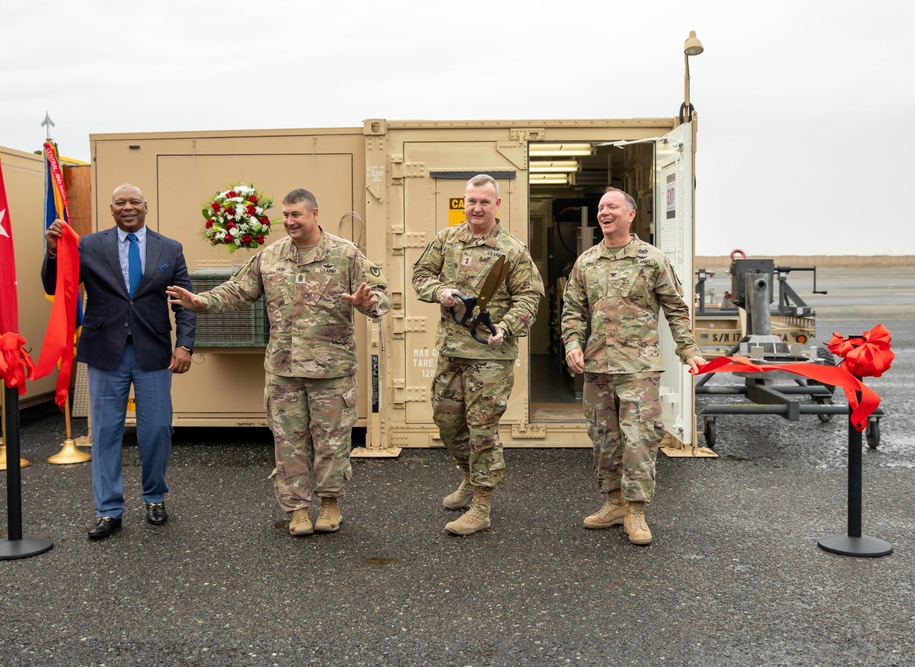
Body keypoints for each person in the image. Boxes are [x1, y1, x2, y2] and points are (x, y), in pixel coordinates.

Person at [166, 188, 390, 537]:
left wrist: (368, 302)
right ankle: (297, 509)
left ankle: (330, 503)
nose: (289, 221)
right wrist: (201, 301)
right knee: (288, 441)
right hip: (283, 371)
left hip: (331, 371)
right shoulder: (270, 257)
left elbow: (381, 298)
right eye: (285, 215)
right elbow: (236, 291)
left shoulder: (347, 256)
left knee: (331, 441)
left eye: (296, 215)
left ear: (315, 214)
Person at [42, 183, 196, 539]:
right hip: (105, 351)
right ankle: (108, 510)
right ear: (111, 209)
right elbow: (56, 286)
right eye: (120, 203)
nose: (128, 207)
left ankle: (155, 497)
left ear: (146, 206)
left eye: (134, 202)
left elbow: (184, 301)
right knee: (106, 433)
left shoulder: (169, 248)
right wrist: (53, 254)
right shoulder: (89, 245)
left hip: (153, 352)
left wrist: (185, 345)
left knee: (156, 430)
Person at [560, 188, 705, 546]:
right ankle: (614, 502)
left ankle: (636, 510)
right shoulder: (587, 262)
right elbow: (573, 310)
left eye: (612, 207)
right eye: (600, 208)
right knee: (604, 439)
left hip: (638, 367)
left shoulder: (651, 259)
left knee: (639, 439)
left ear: (630, 215)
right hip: (597, 367)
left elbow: (675, 307)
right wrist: (572, 343)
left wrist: (688, 349)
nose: (604, 213)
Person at [411, 174, 544, 536]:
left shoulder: (512, 251)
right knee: (447, 420)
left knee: (482, 428)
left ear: (497, 205)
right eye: (472, 201)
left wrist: (507, 325)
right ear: (463, 203)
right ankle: (470, 478)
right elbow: (420, 274)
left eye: (485, 201)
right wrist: (438, 291)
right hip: (451, 349)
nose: (477, 208)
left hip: (490, 355)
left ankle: (482, 505)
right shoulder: (448, 239)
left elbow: (531, 296)